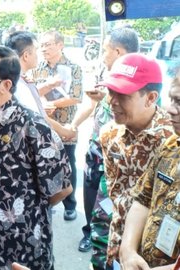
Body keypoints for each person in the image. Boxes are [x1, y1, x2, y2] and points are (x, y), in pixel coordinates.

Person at [0, 46, 72, 269]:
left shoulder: (34, 128)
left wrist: (25, 211)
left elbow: (62, 189)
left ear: (6, 85)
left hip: (22, 248)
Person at [96, 53, 174, 268]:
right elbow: (115, 195)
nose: (112, 101)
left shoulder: (172, 139)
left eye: (122, 94)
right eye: (111, 91)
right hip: (119, 245)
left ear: (150, 98)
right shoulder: (108, 134)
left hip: (161, 258)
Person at [79, 27, 139, 257]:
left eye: (105, 50)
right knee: (91, 199)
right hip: (97, 148)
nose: (102, 55)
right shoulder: (105, 71)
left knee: (111, 215)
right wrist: (73, 127)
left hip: (118, 160)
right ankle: (91, 236)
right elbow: (93, 106)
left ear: (117, 50)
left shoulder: (142, 78)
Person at [119, 75, 180, 270]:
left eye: (179, 102)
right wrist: (127, 250)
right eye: (171, 99)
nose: (170, 109)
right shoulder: (171, 147)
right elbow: (143, 199)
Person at [33, 30, 83, 221]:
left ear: (60, 45)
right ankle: (48, 200)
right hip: (43, 127)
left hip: (66, 127)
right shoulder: (37, 69)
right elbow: (32, 93)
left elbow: (76, 97)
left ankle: (70, 204)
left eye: (48, 44)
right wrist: (41, 103)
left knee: (68, 164)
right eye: (42, 45)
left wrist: (50, 104)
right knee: (44, 165)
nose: (44, 48)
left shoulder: (74, 68)